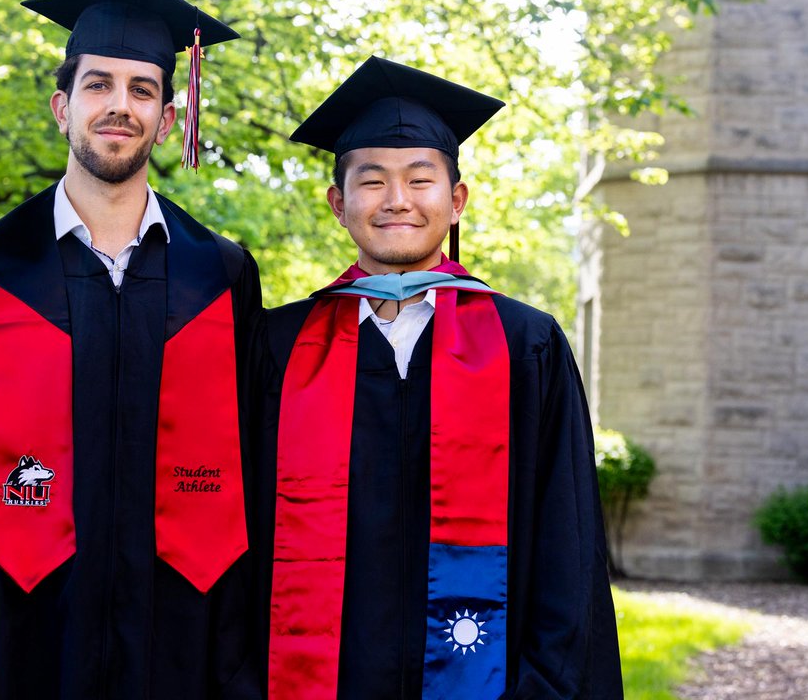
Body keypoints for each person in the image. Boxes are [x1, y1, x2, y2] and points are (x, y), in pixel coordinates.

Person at [0, 0, 262, 700]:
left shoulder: (221, 275)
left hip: (181, 640)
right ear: (62, 107)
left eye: (143, 91)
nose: (120, 106)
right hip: (9, 630)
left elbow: (253, 469)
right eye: (99, 85)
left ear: (168, 120)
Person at [251, 56, 622, 699]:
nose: (397, 200)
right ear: (339, 204)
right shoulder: (278, 350)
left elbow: (570, 544)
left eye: (420, 180)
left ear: (455, 202)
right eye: (372, 182)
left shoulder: (525, 346)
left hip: (492, 682)